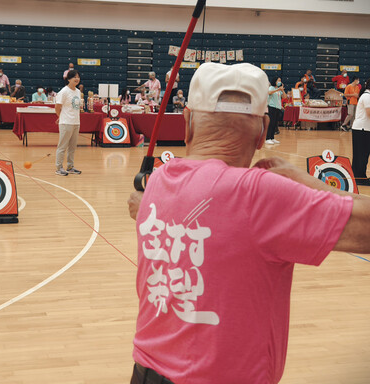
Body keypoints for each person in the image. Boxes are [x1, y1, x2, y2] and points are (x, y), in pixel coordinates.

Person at [127, 62, 370, 384]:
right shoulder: (260, 193)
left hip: (144, 371)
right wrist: (306, 181)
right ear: (262, 131)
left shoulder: (157, 182)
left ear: (187, 123)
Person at [55, 70, 82, 176]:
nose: (77, 79)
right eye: (75, 77)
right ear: (69, 79)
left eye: (78, 77)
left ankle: (70, 167)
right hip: (66, 122)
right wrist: (60, 117)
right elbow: (57, 107)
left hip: (76, 122)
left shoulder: (78, 91)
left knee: (72, 147)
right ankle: (59, 168)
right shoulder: (64, 91)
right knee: (62, 146)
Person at [350, 78, 370, 186]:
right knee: (360, 155)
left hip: (365, 129)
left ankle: (361, 176)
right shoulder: (367, 96)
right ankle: (358, 178)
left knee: (364, 154)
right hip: (361, 129)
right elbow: (369, 112)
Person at [265, 76, 285, 145]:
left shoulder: (279, 90)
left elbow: (284, 97)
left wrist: (282, 90)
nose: (280, 82)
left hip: (277, 108)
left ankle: (272, 137)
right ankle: (267, 138)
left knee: (275, 124)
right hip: (271, 107)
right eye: (278, 80)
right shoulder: (271, 88)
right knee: (270, 123)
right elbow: (269, 93)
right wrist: (278, 89)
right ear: (275, 81)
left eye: (280, 80)